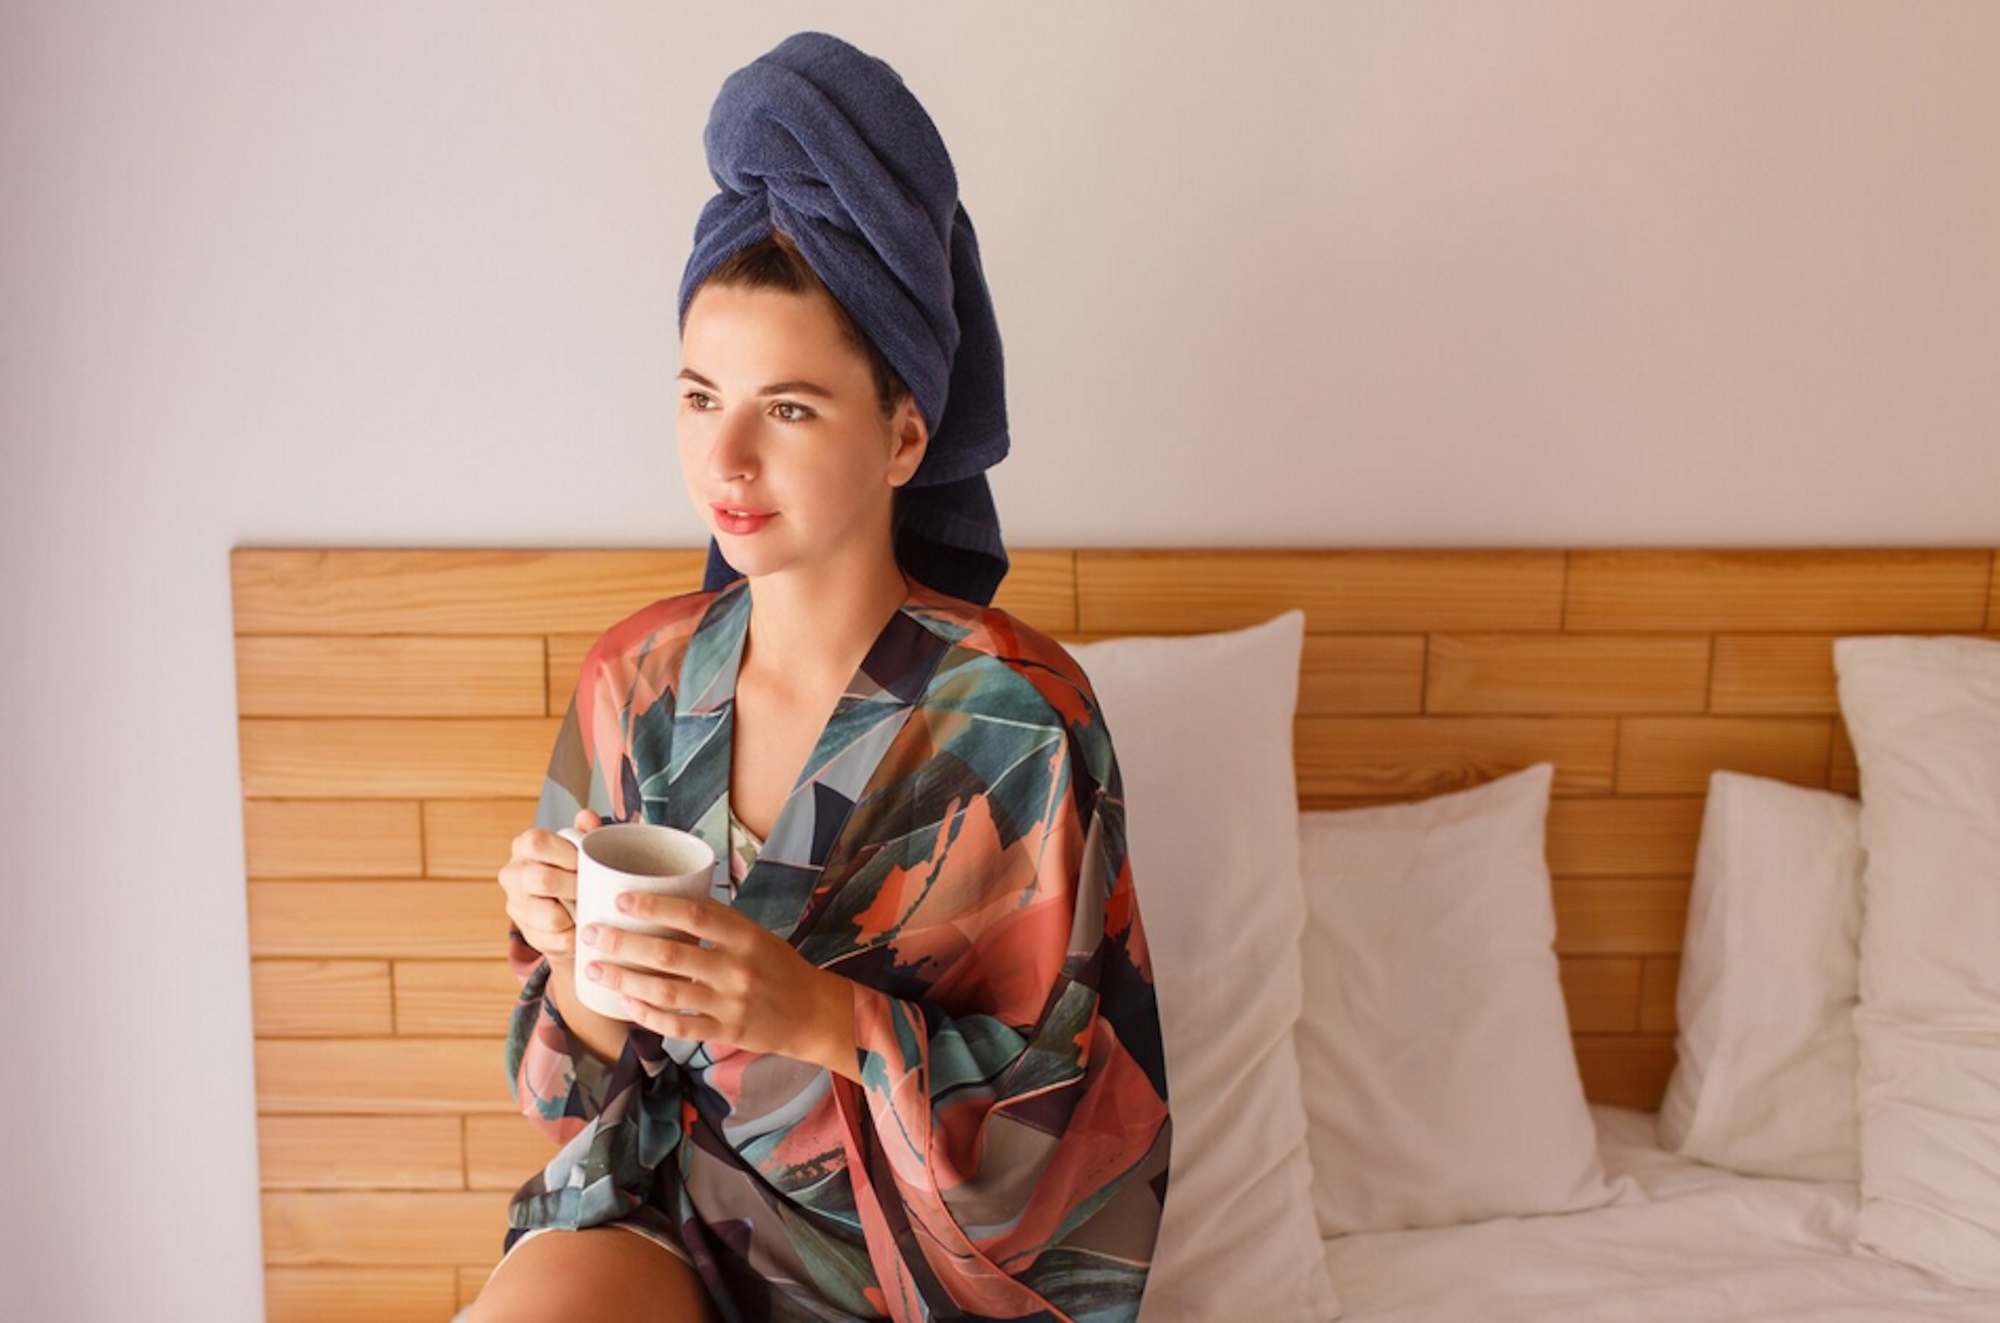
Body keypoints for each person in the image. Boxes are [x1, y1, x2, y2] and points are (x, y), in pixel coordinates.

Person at [473, 32, 1170, 1323]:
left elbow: (1076, 1146)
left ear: (906, 434)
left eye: (789, 410)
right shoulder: (636, 683)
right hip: (658, 1211)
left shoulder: (1017, 722)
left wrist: (824, 1018)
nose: (727, 457)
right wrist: (575, 961)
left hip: (910, 1265)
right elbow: (559, 1094)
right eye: (698, 397)